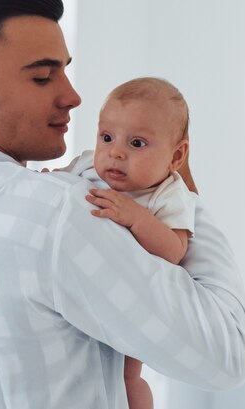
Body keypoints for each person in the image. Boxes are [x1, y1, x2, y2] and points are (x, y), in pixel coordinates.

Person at [0, 1, 245, 409]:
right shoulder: (61, 212)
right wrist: (175, 183)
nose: (72, 97)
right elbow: (225, 354)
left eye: (66, 71)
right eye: (42, 77)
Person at [63, 77, 195, 409]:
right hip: (85, 290)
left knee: (126, 377)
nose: (116, 152)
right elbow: (58, 185)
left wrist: (137, 217)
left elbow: (174, 249)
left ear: (176, 156)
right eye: (106, 137)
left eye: (136, 143)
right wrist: (49, 177)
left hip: (131, 300)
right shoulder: (85, 167)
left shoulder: (167, 193)